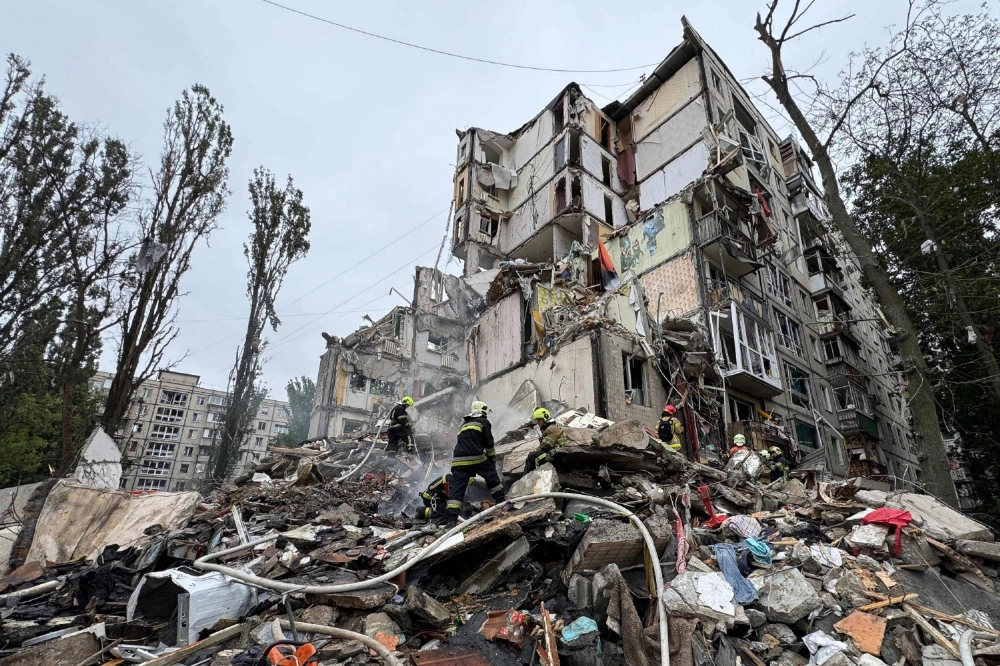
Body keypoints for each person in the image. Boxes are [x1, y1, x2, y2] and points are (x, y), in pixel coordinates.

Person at [445, 401, 506, 527]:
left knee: (457, 489)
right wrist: (491, 460)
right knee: (492, 477)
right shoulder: (483, 422)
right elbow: (489, 444)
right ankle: (501, 503)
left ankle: (451, 521)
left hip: (458, 461)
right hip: (475, 457)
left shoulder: (464, 424)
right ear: (483, 411)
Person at [524, 408, 569, 473]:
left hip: (557, 453)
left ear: (544, 419)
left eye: (538, 420)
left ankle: (535, 477)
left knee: (533, 457)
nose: (538, 423)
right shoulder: (549, 428)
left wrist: (536, 450)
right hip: (553, 451)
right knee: (529, 458)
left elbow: (547, 445)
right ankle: (525, 478)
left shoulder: (553, 428)